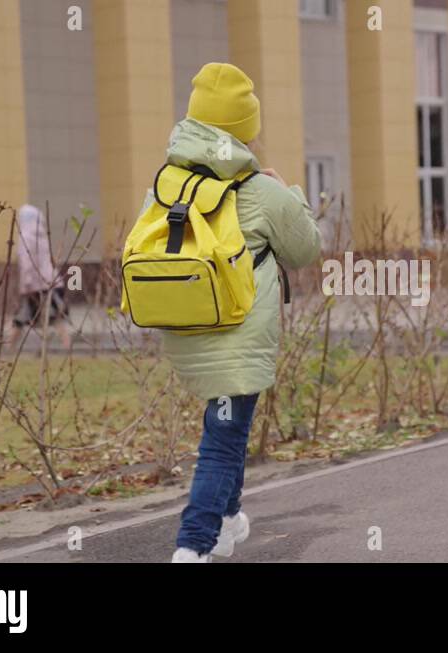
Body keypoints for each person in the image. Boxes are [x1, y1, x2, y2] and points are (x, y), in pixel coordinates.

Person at [140, 63, 321, 563]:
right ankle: (192, 547)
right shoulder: (259, 191)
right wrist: (292, 194)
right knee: (221, 442)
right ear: (244, 130)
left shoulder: (166, 185)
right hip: (237, 332)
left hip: (185, 326)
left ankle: (228, 521)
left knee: (229, 424)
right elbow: (306, 250)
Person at [11, 204, 71, 350]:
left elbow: (27, 263)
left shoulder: (25, 237)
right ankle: (66, 346)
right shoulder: (41, 236)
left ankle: (9, 348)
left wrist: (26, 283)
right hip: (52, 282)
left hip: (35, 285)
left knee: (22, 317)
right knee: (55, 317)